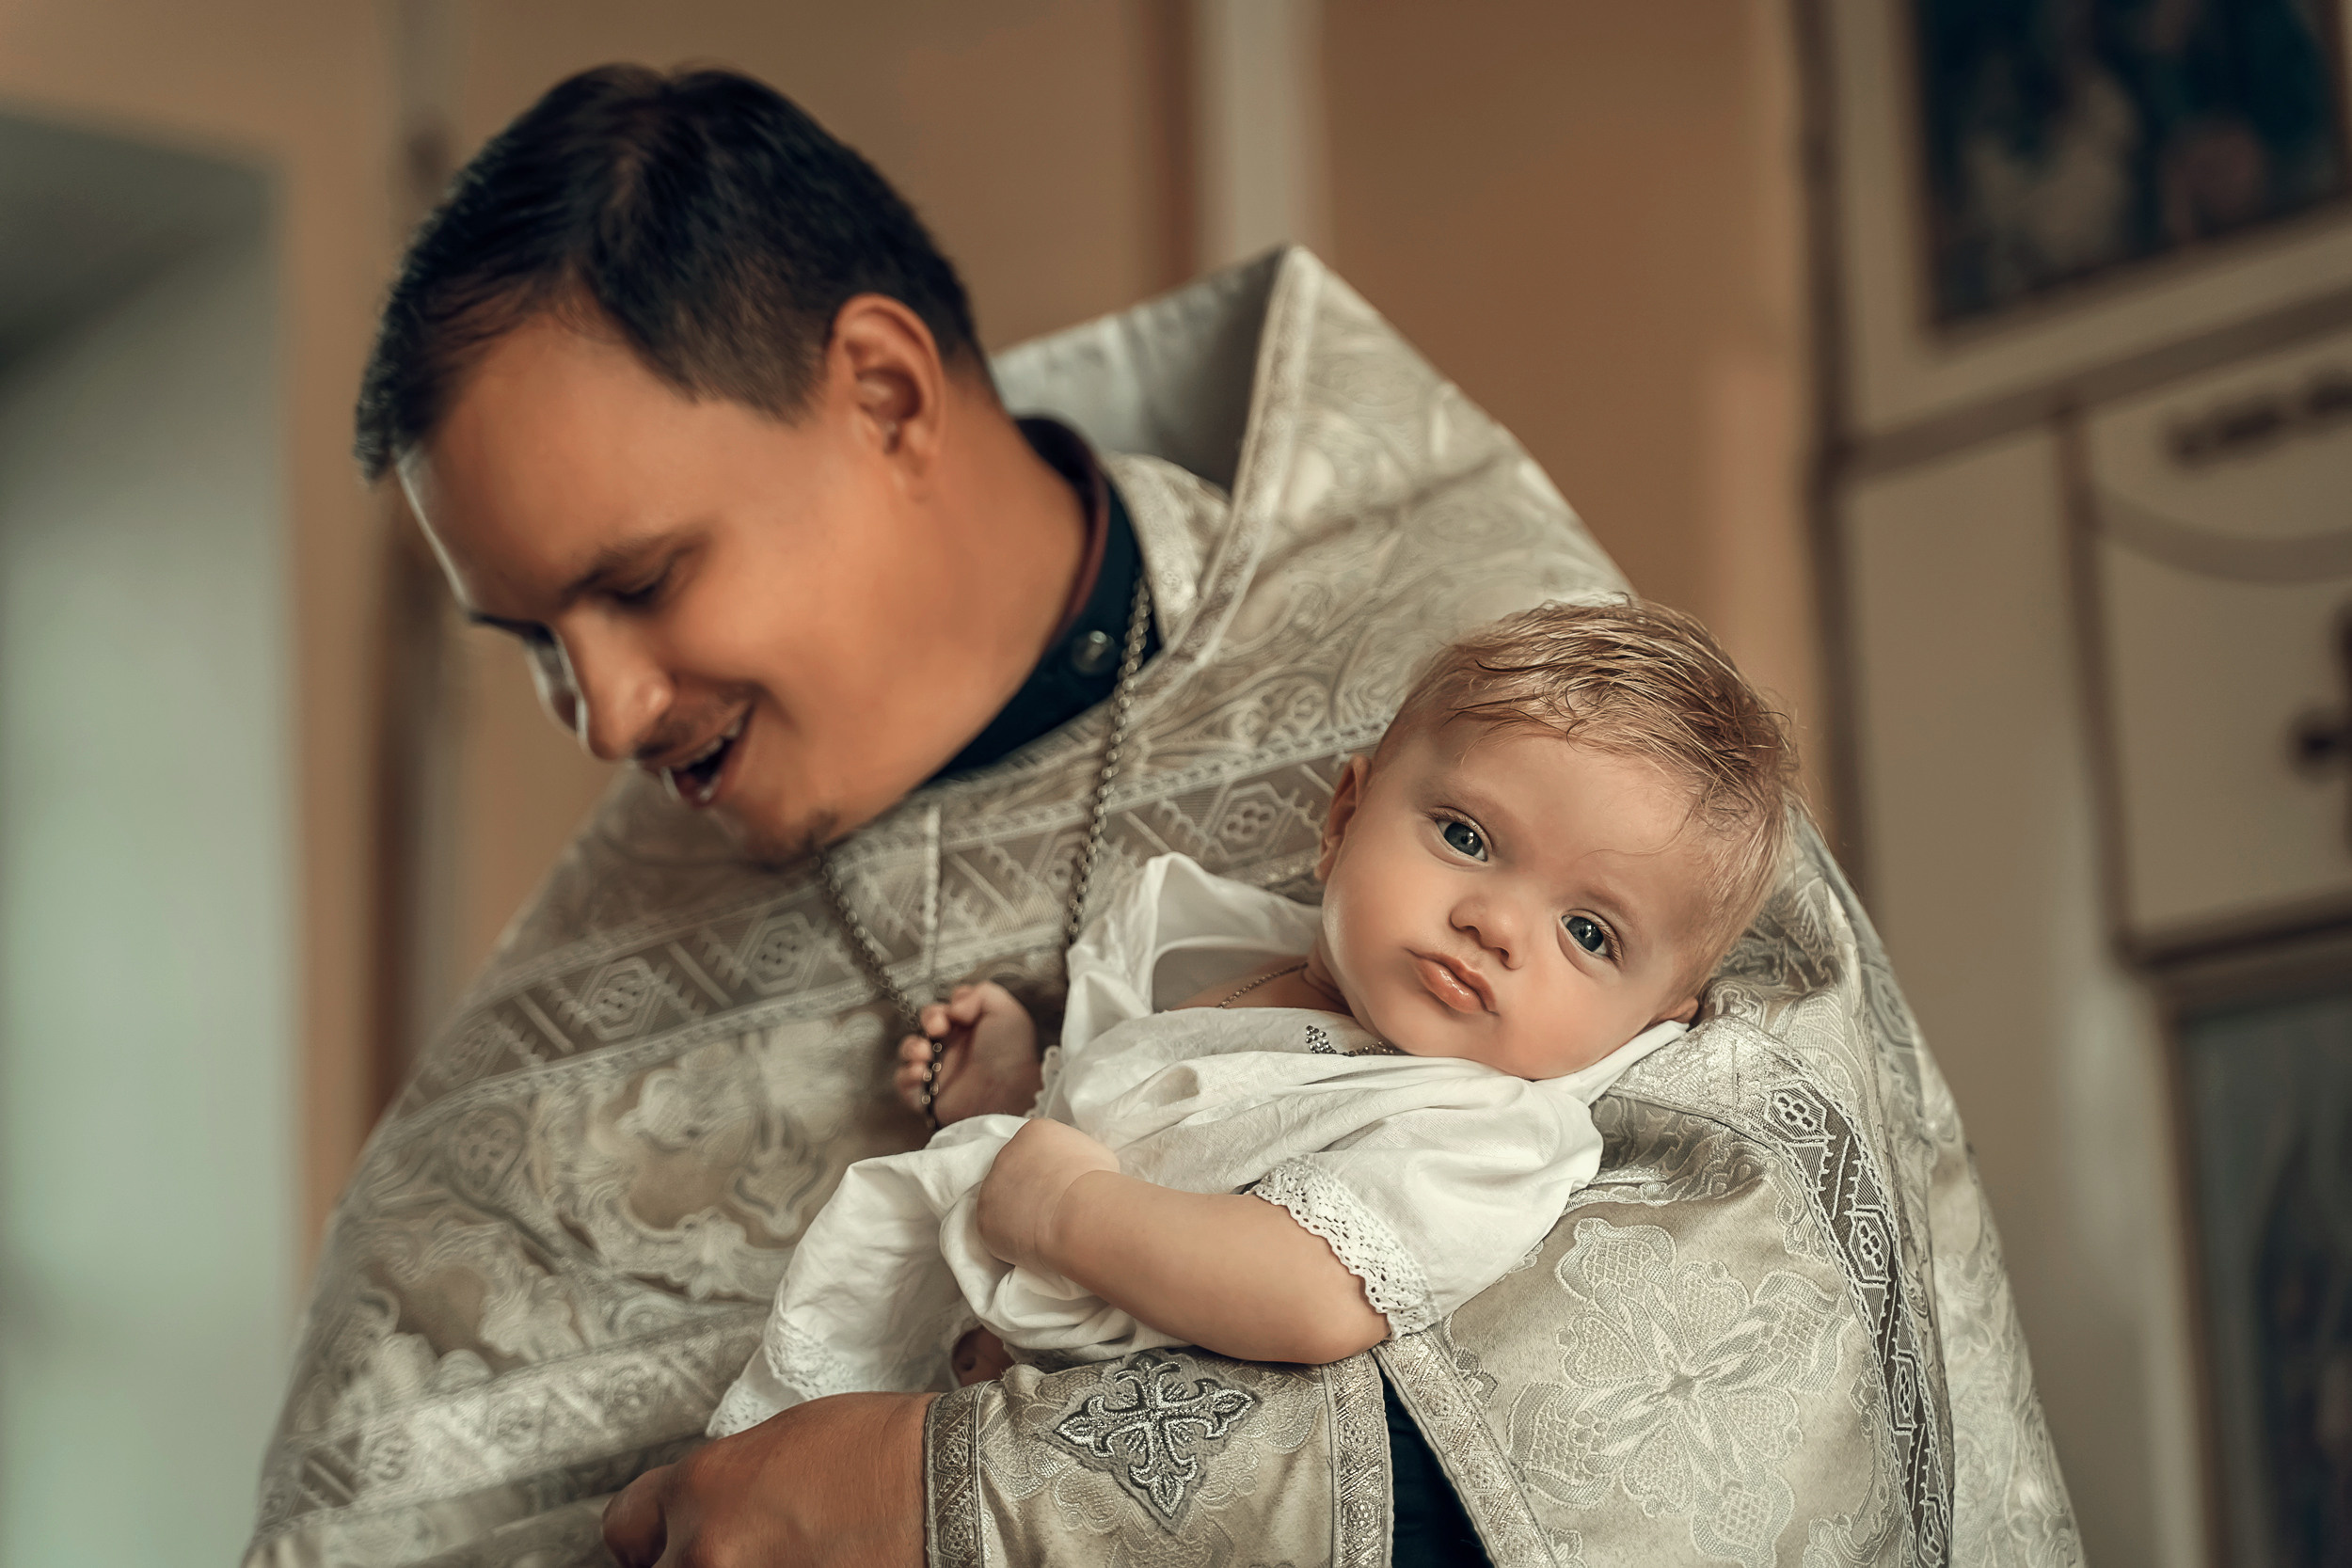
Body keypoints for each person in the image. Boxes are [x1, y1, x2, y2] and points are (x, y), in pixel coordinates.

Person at [246, 63, 2081, 1568]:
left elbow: (1749, 1395)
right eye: (533, 646)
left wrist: (967, 1503)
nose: (607, 713)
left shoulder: (1503, 725)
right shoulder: (554, 1036)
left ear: (881, 391)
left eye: (640, 580)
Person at [712, 600, 1788, 1438]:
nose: (1495, 921)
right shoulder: (1225, 953)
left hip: (1046, 1431)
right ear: (1342, 817)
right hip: (949, 1336)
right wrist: (1016, 1087)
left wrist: (1067, 1214)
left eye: (1589, 933)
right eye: (1465, 835)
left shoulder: (1486, 1130)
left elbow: (1310, 1288)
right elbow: (1132, 1104)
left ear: (1653, 1019)